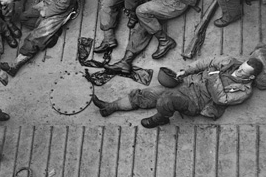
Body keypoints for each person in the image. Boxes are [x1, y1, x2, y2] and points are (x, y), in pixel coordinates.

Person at [93, 56, 263, 128]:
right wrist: (186, 71)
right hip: (187, 83)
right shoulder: (230, 62)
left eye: (243, 72)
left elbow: (221, 99)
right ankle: (111, 106)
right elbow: (205, 62)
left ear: (252, 76)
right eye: (241, 67)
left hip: (197, 102)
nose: (238, 71)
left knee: (166, 101)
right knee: (146, 94)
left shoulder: (244, 91)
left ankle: (160, 119)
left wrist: (214, 77)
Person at [1, 0, 78, 76]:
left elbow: (64, 5)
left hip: (60, 10)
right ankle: (49, 36)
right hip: (49, 0)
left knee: (35, 36)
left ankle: (15, 65)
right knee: (23, 18)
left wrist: (46, 12)